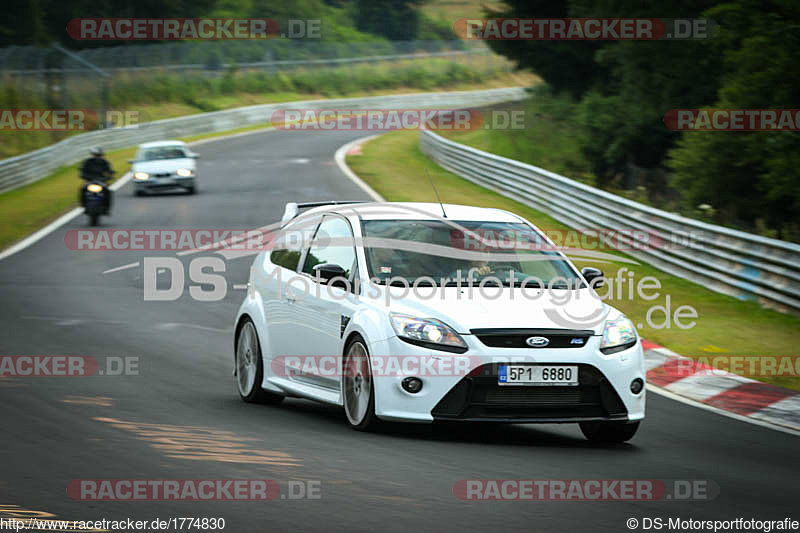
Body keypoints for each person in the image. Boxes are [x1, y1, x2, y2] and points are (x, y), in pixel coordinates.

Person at [80, 147, 114, 213]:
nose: (97, 156)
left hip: (101, 181)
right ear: (93, 155)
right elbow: (83, 170)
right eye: (95, 155)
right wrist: (83, 175)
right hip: (90, 180)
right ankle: (83, 204)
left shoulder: (105, 162)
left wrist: (110, 176)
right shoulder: (87, 162)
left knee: (108, 191)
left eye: (98, 155)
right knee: (82, 189)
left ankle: (106, 207)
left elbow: (109, 171)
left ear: (101, 155)